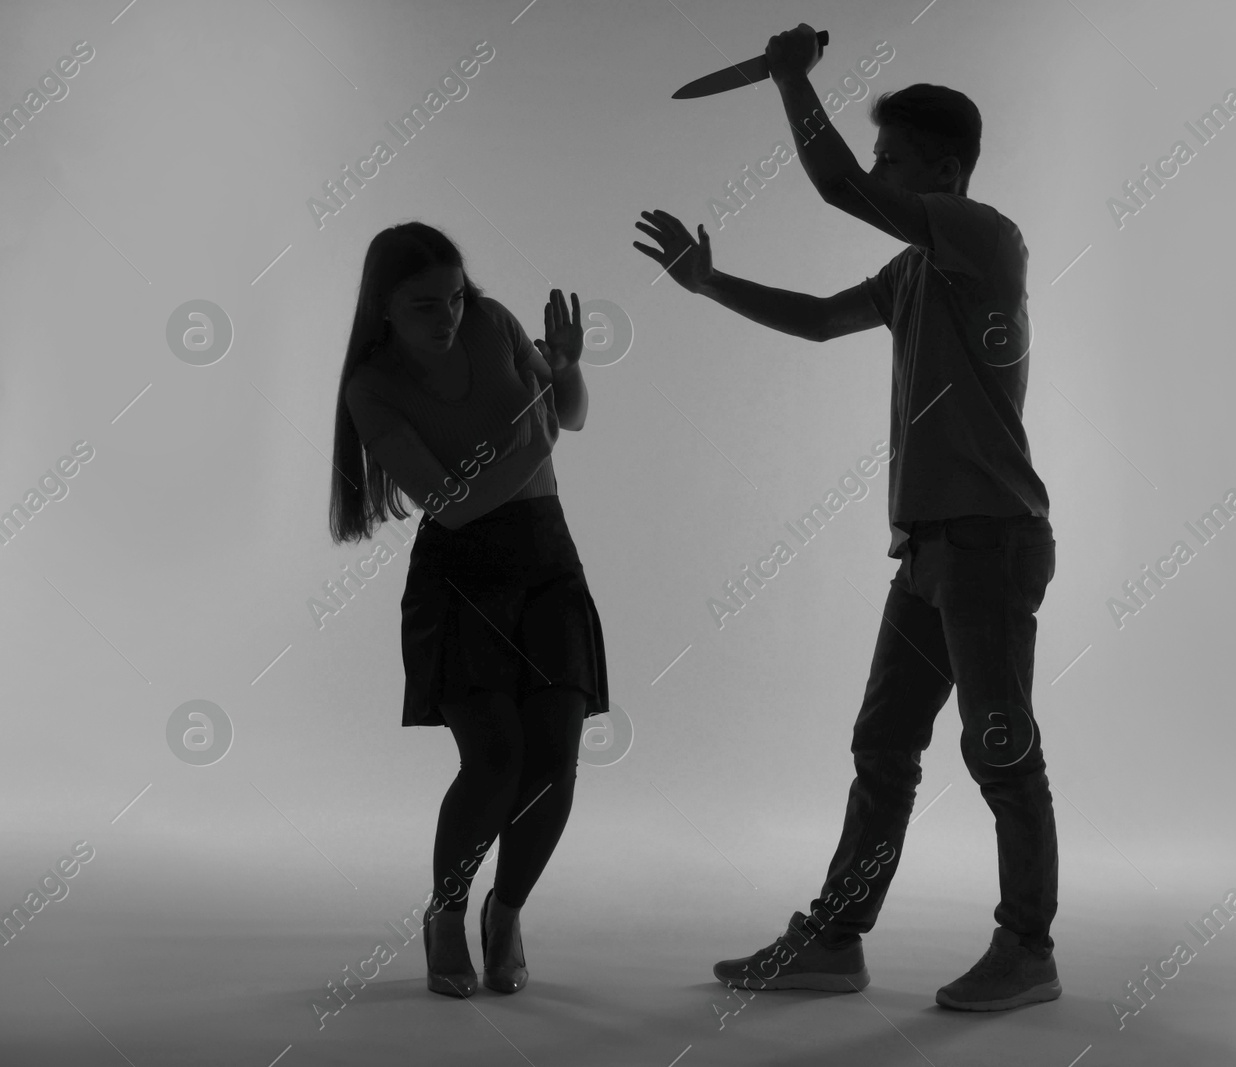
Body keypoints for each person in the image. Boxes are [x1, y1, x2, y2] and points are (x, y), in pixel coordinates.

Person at [633, 25, 1059, 1012]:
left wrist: (788, 80)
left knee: (999, 744)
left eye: (894, 161)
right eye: (878, 160)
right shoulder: (915, 273)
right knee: (882, 745)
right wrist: (707, 283)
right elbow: (823, 318)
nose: (878, 176)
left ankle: (1027, 948)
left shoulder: (984, 238)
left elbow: (837, 189)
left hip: (990, 539)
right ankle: (834, 939)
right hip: (927, 548)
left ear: (943, 171)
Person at [328, 222, 609, 999]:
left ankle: (505, 912)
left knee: (553, 762)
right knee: (494, 760)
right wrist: (532, 437)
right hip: (462, 573)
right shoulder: (372, 386)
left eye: (453, 297)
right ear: (382, 308)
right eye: (424, 306)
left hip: (547, 555)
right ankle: (446, 913)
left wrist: (568, 372)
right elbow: (451, 506)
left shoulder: (492, 321)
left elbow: (571, 416)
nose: (447, 316)